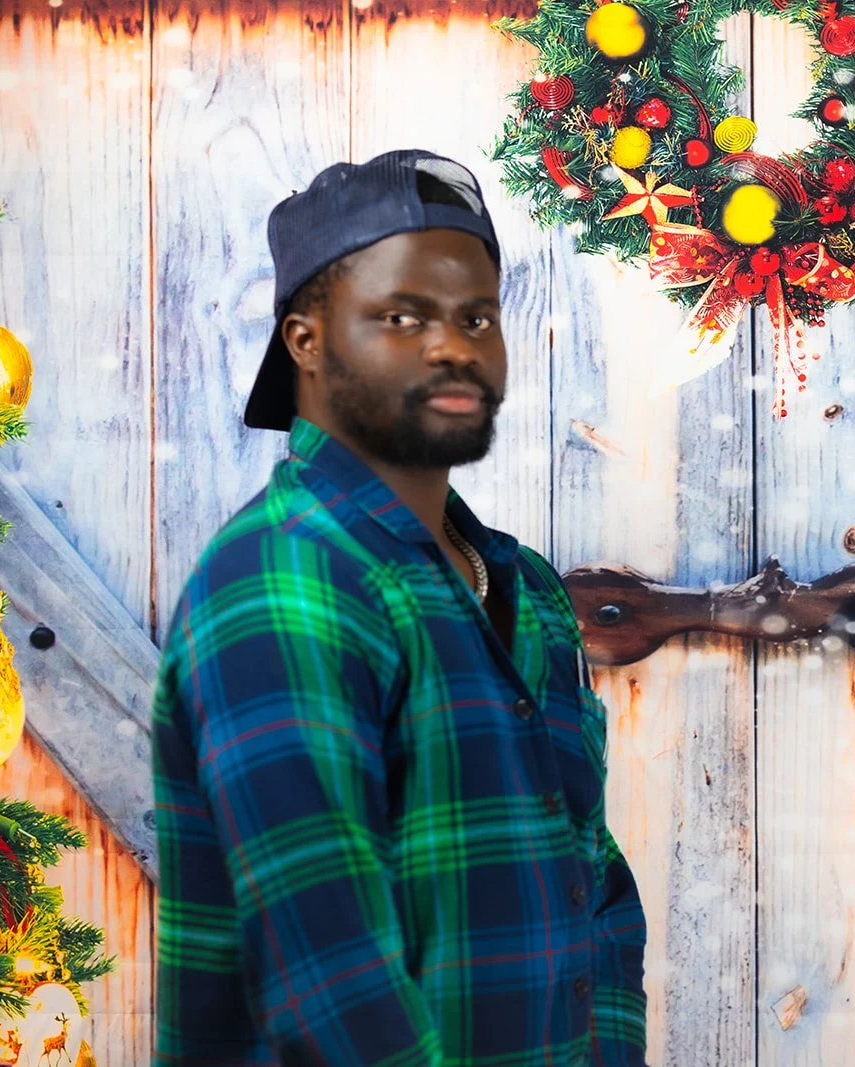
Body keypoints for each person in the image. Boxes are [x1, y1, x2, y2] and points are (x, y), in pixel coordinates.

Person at [152, 148, 647, 1065]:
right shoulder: (285, 576)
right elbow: (329, 979)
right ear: (307, 340)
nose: (452, 345)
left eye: (476, 316)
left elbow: (595, 889)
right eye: (402, 315)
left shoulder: (526, 588)